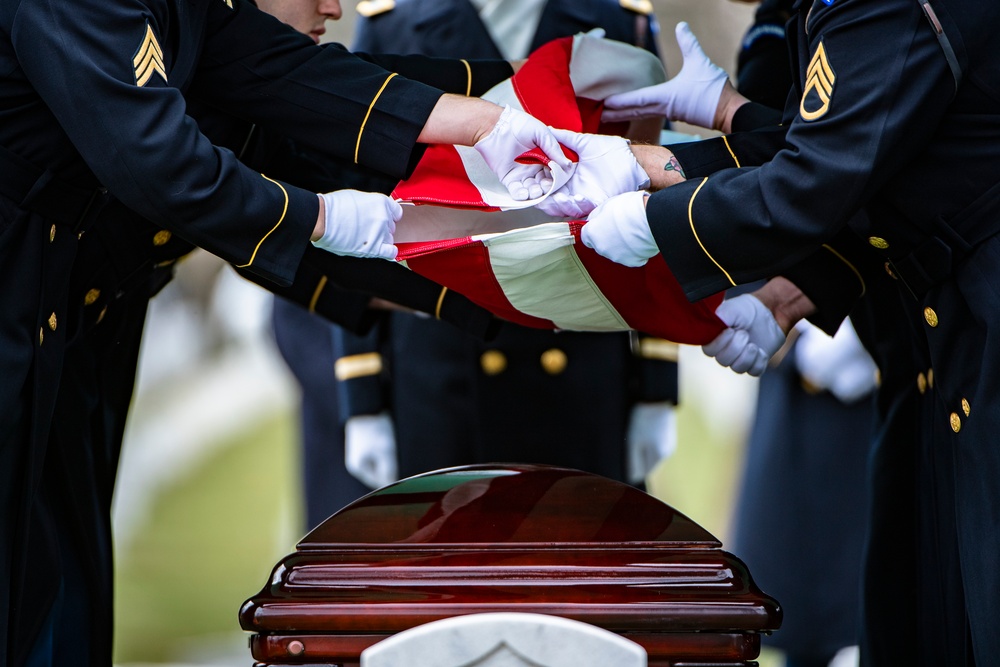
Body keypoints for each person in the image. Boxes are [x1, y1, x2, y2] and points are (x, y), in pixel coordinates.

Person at [0, 1, 649, 663]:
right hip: (20, 318)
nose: (336, 7)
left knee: (61, 608)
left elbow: (290, 73)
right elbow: (168, 167)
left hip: (67, 340)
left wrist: (499, 116)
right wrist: (330, 219)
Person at [571, 1, 1000, 663]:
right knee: (923, 624)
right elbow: (861, 142)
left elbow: (819, 176)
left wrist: (655, 215)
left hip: (977, 338)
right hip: (935, 357)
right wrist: (730, 118)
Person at [321, 0, 680, 496]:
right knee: (451, 565)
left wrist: (659, 382)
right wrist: (362, 393)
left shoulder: (620, 19)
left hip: (584, 362)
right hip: (442, 365)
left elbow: (652, 207)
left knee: (581, 563)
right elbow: (355, 196)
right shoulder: (393, 22)